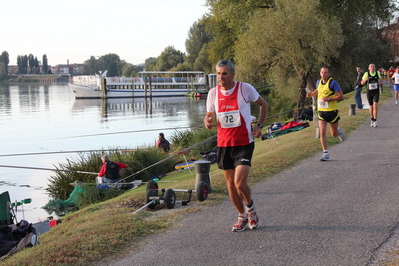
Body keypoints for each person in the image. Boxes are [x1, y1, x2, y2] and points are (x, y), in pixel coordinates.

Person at [203, 59, 268, 232]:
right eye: (218, 74)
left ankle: (251, 209)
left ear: (233, 74)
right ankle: (242, 216)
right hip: (224, 144)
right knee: (230, 186)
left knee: (239, 184)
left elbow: (263, 104)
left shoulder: (245, 88)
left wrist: (259, 126)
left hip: (244, 143)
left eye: (224, 73)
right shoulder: (213, 93)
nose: (221, 77)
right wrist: (207, 121)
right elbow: (208, 114)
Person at [306, 66, 345, 161]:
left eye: (325, 72)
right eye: (322, 72)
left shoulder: (333, 83)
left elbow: (341, 96)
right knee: (322, 131)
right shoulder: (318, 82)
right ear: (320, 73)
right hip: (322, 112)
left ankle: (339, 131)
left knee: (334, 134)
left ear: (329, 74)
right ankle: (325, 153)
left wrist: (329, 99)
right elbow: (318, 90)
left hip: (332, 112)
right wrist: (311, 94)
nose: (323, 74)